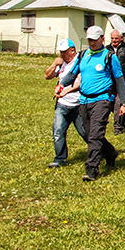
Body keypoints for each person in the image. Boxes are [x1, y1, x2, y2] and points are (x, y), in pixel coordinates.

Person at [57, 25, 125, 182]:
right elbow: (72, 74)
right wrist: (62, 84)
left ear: (102, 39)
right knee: (91, 135)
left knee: (95, 135)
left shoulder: (110, 57)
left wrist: (124, 103)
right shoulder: (83, 55)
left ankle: (91, 169)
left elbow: (120, 80)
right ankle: (110, 153)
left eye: (95, 40)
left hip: (102, 100)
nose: (92, 43)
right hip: (84, 100)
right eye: (89, 40)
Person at [44, 39, 88, 167]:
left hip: (77, 104)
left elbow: (79, 83)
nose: (62, 54)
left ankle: (100, 151)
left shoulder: (80, 63)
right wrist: (54, 64)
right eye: (60, 52)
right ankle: (60, 159)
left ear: (72, 50)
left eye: (64, 51)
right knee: (58, 131)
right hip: (62, 105)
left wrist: (66, 91)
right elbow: (47, 76)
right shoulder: (61, 64)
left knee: (85, 132)